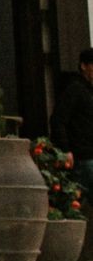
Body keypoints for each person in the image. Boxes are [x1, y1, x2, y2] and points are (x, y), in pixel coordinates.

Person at [51, 46, 93, 197]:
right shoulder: (75, 89)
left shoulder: (88, 92)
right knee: (76, 201)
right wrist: (66, 149)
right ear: (84, 66)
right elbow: (58, 120)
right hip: (82, 157)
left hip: (87, 157)